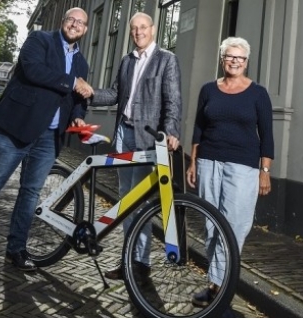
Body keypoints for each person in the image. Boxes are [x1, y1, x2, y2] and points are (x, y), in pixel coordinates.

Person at [0, 7, 94, 273]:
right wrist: (73, 82)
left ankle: (16, 250)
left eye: (80, 23)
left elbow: (77, 101)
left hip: (49, 138)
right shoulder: (40, 40)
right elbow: (33, 70)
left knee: (30, 195)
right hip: (16, 128)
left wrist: (77, 116)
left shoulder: (82, 63)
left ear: (85, 30)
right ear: (64, 22)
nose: (75, 25)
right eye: (71, 20)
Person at [88, 12, 182, 280]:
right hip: (123, 135)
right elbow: (116, 94)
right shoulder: (127, 61)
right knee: (125, 200)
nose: (138, 32)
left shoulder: (167, 60)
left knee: (138, 203)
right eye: (134, 29)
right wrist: (90, 93)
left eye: (143, 27)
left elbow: (172, 101)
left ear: (152, 30)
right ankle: (130, 259)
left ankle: (139, 263)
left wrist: (171, 130)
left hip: (146, 139)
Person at [186, 36, 274, 309]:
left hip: (243, 167)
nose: (235, 61)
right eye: (230, 56)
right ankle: (216, 286)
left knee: (234, 227)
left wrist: (265, 171)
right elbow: (199, 128)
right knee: (212, 227)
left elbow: (267, 135)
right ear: (222, 59)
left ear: (246, 62)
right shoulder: (208, 90)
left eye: (240, 57)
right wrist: (193, 162)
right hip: (208, 162)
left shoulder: (258, 93)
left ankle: (220, 288)